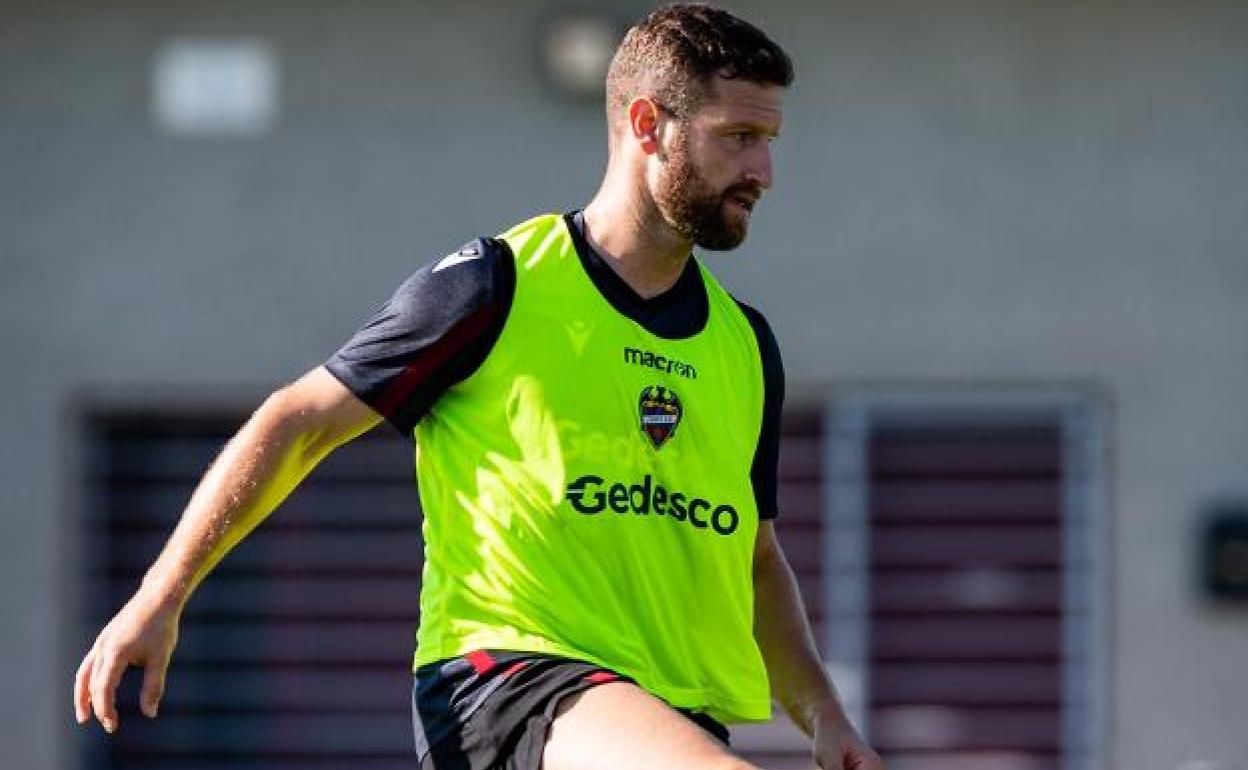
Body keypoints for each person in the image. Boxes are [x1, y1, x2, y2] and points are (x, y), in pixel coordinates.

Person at [73, 5, 885, 770]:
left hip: (670, 720)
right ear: (648, 125)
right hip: (510, 688)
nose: (764, 171)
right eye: (739, 136)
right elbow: (300, 420)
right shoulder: (495, 287)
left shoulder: (744, 345)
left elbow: (756, 560)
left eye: (770, 140)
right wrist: (161, 593)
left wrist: (825, 715)